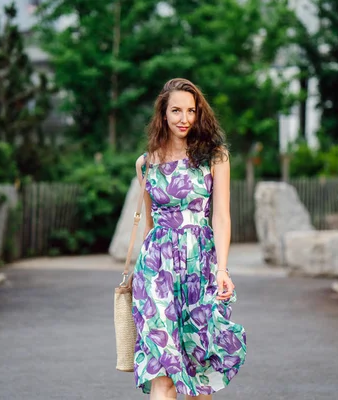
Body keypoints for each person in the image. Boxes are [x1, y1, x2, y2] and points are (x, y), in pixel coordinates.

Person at [131, 78, 247, 400]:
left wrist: (222, 270)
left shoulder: (214, 156)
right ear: (163, 114)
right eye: (176, 111)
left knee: (198, 371)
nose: (184, 118)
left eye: (191, 111)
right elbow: (150, 224)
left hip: (200, 266)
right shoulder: (146, 163)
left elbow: (220, 217)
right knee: (163, 371)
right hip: (157, 271)